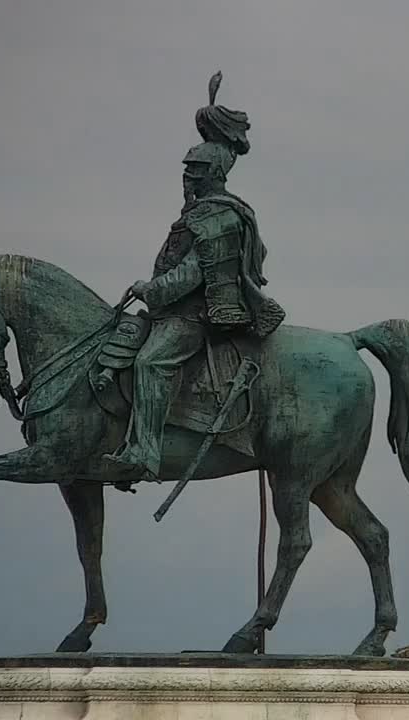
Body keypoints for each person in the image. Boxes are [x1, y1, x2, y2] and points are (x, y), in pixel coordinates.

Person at [103, 73, 284, 482]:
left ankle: (143, 453)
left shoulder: (217, 215)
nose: (186, 179)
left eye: (194, 172)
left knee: (150, 363)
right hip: (171, 312)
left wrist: (150, 289)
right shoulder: (201, 212)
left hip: (195, 317)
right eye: (187, 172)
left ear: (211, 173)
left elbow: (192, 274)